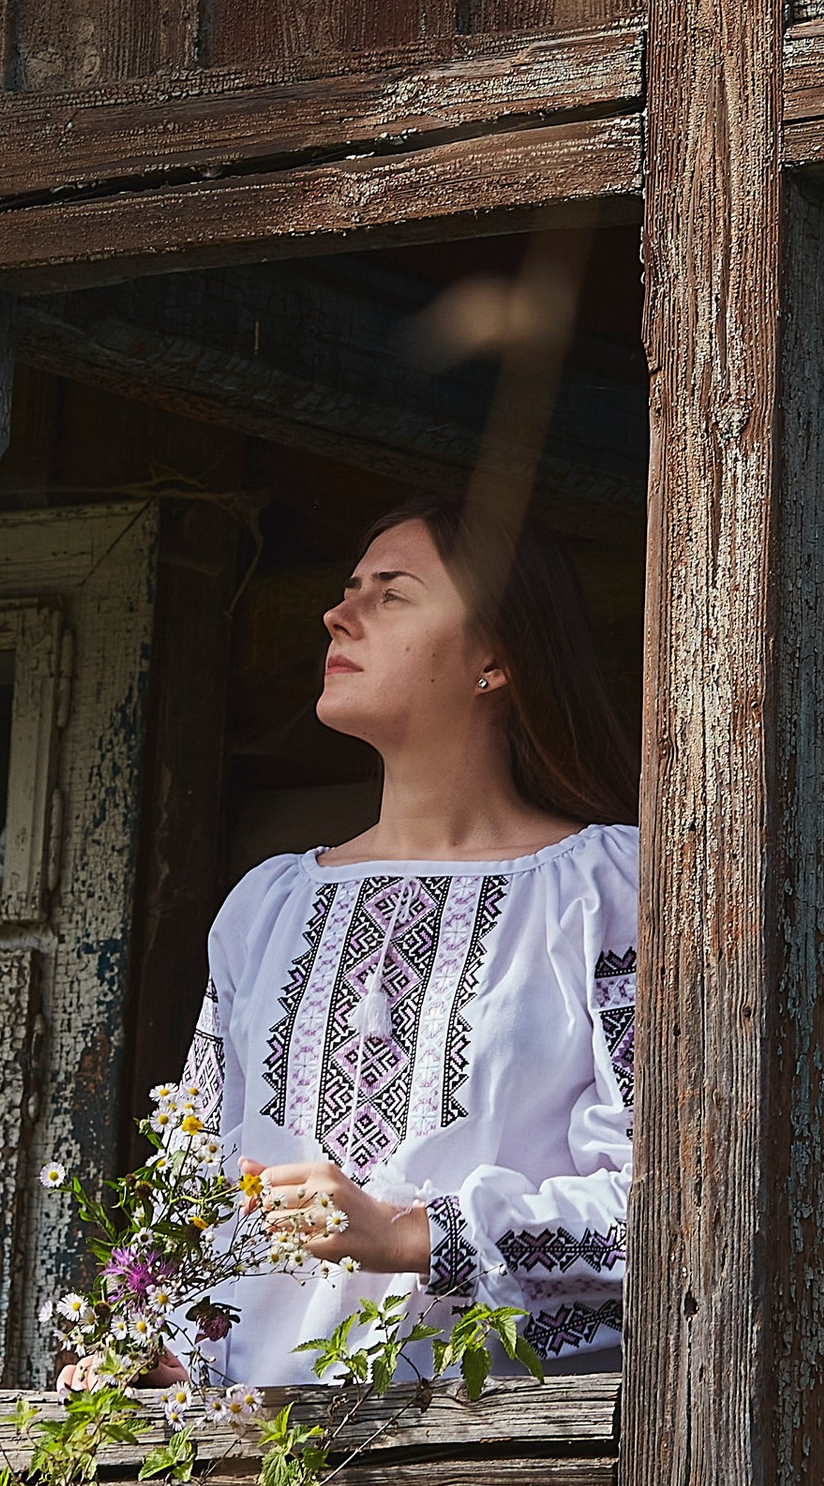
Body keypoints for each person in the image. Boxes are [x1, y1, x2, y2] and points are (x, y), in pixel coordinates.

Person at [170, 497, 638, 1389]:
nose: (337, 614)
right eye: (349, 589)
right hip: (244, 1467)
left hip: (504, 1454)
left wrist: (408, 1234)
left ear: (496, 658)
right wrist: (150, 1346)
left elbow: (665, 1205)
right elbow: (190, 1184)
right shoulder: (266, 908)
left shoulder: (603, 890)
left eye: (392, 594)